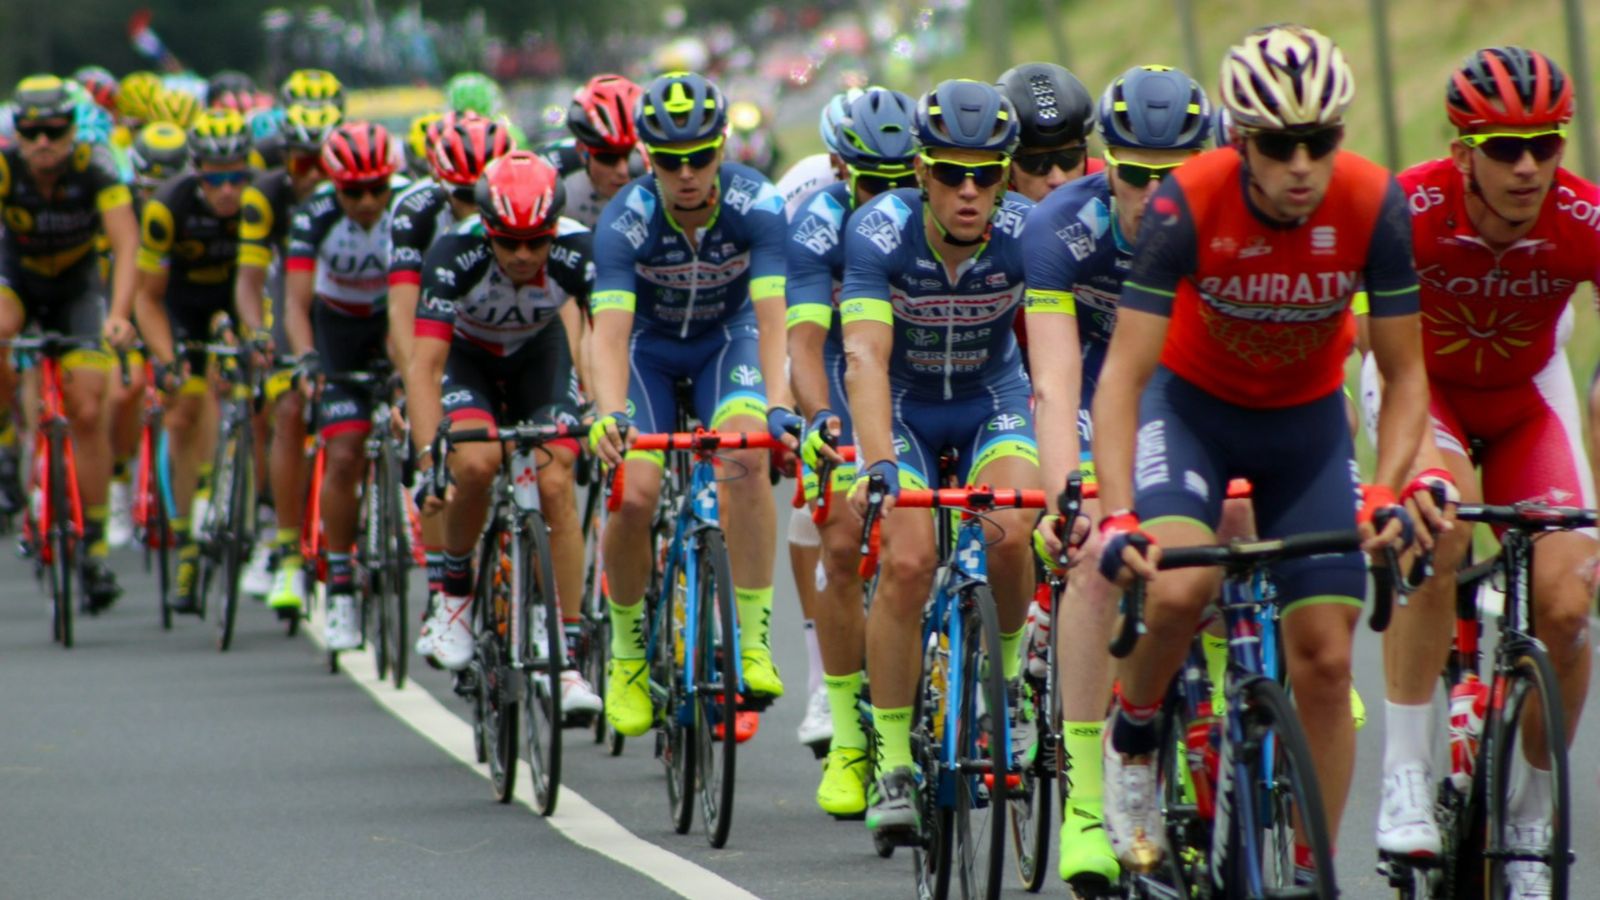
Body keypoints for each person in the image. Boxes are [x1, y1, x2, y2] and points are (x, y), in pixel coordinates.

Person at [1092, 26, 1428, 883]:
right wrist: (1118, 513)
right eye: (1280, 145)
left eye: (1321, 140)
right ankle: (1133, 737)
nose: (1302, 165)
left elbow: (1404, 375)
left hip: (1305, 429)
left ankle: (1313, 870)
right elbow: (1123, 378)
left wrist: (1386, 491)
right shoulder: (1187, 202)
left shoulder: (1374, 204)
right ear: (1241, 140)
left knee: (1326, 655)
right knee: (1180, 587)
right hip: (1192, 414)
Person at [1374, 47, 1598, 898]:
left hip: (1526, 399)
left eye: (1546, 144)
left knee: (1570, 603)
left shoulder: (1583, 217)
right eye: (1505, 148)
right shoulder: (1407, 210)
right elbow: (1367, 341)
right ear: (1462, 154)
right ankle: (1404, 774)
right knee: (1443, 523)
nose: (1528, 166)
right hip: (1420, 388)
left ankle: (1532, 822)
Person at [1023, 63, 1211, 892]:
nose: (1156, 193)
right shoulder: (1061, 227)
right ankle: (1085, 803)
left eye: (1177, 174)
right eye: (1136, 173)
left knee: (1239, 528)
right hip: (1099, 390)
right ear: (1107, 165)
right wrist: (1065, 496)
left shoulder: (1229, 221)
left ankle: (1226, 717)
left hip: (1188, 393)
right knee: (1096, 553)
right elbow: (1055, 382)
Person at [840, 79, 1039, 840]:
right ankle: (892, 760)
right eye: (952, 173)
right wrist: (877, 462)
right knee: (908, 559)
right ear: (921, 171)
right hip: (904, 406)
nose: (969, 191)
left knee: (1013, 531)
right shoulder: (878, 231)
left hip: (992, 398)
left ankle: (1008, 688)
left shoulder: (1029, 232)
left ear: (1006, 174)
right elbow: (864, 354)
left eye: (986, 174)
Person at [587, 71, 793, 739]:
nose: (685, 174)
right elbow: (608, 334)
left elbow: (774, 320)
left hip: (725, 342)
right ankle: (626, 657)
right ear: (647, 156)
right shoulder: (626, 216)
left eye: (700, 157)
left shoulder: (757, 202)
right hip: (646, 351)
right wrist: (609, 413)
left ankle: (753, 642)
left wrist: (780, 408)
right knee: (636, 491)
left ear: (722, 147)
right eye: (669, 160)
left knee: (747, 458)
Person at [407, 152, 601, 719]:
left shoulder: (580, 249)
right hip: (467, 360)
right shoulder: (453, 253)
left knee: (556, 480)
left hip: (539, 356)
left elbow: (603, 336)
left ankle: (564, 656)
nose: (522, 255)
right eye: (509, 242)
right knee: (474, 463)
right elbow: (424, 366)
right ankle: (454, 599)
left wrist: (601, 408)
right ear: (487, 228)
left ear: (553, 230)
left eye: (536, 242)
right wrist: (429, 463)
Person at [786, 87, 918, 815]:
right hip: (844, 368)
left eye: (903, 181)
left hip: (924, 374)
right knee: (840, 542)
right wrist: (822, 422)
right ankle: (846, 735)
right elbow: (806, 342)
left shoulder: (941, 211)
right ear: (841, 169)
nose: (888, 199)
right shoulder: (818, 220)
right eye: (873, 183)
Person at [0, 75, 141, 610]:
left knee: (87, 408)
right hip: (17, 279)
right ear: (17, 133)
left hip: (78, 289)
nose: (43, 142)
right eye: (31, 132)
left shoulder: (95, 165)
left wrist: (120, 315)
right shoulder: (5, 167)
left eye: (55, 131)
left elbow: (127, 245)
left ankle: (94, 542)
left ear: (72, 131)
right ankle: (6, 442)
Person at [387, 112, 511, 658]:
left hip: (514, 338)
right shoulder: (416, 212)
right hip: (443, 338)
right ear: (441, 185)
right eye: (463, 196)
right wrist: (410, 388)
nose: (477, 208)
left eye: (486, 194)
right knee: (446, 461)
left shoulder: (529, 194)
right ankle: (444, 590)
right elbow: (402, 311)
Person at [283, 121, 407, 649]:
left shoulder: (409, 207)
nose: (368, 201)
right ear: (334, 185)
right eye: (354, 192)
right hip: (336, 329)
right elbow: (295, 302)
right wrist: (308, 358)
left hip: (394, 321)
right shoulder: (314, 215)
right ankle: (339, 583)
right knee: (343, 452)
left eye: (377, 188)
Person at [130, 110, 252, 612]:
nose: (228, 190)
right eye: (215, 179)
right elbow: (146, 299)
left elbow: (272, 281)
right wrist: (167, 359)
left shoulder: (260, 201)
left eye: (237, 177)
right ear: (196, 171)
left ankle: (257, 517)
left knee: (263, 400)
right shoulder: (167, 207)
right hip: (180, 307)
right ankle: (185, 541)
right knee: (183, 411)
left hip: (241, 298)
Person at [234, 100, 342, 616]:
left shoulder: (358, 193)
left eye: (325, 163)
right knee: (289, 409)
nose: (314, 174)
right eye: (303, 162)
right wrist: (258, 334)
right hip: (289, 298)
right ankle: (285, 550)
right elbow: (250, 280)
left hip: (342, 300)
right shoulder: (266, 194)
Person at [997, 62, 1099, 202]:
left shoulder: (1109, 183)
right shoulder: (984, 202)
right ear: (1006, 171)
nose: (1058, 180)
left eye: (1069, 158)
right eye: (1035, 162)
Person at [561, 74, 648, 228]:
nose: (623, 171)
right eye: (608, 158)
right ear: (582, 151)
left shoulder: (665, 171)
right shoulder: (557, 177)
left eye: (632, 155)